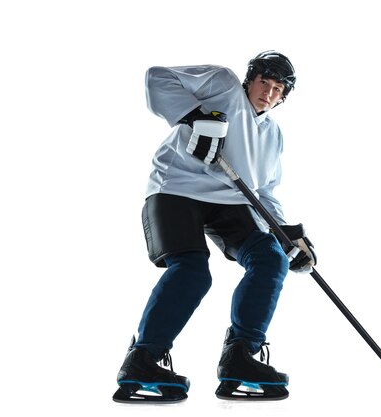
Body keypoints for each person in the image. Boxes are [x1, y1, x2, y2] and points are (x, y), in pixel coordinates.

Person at [112, 51, 317, 403]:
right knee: (192, 271)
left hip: (231, 202)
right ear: (249, 80)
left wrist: (287, 235)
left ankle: (241, 356)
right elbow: (156, 77)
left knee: (270, 258)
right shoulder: (222, 85)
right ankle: (143, 359)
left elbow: (263, 191)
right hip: (175, 187)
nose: (268, 92)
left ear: (283, 97)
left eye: (278, 88)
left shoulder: (272, 135)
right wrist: (193, 118)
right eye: (263, 82)